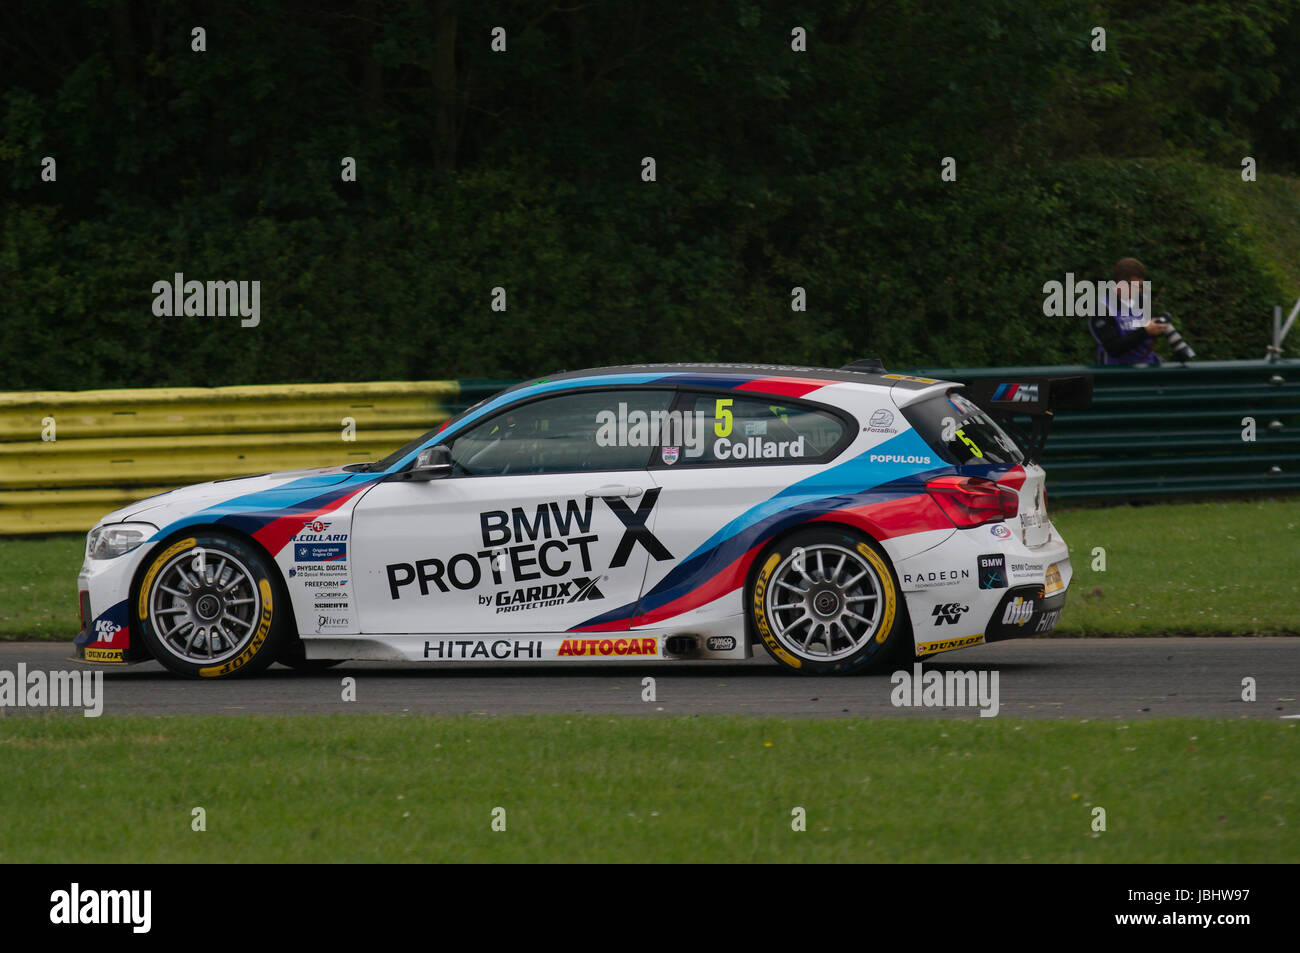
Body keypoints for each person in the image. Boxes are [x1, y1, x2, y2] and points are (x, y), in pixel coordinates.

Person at [1089, 257, 1166, 365]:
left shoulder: (1142, 302)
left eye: (1141, 286)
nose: (1140, 290)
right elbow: (1114, 348)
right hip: (1118, 375)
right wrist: (1145, 331)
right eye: (1136, 286)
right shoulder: (1102, 308)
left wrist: (1158, 328)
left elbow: (1145, 340)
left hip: (1147, 369)